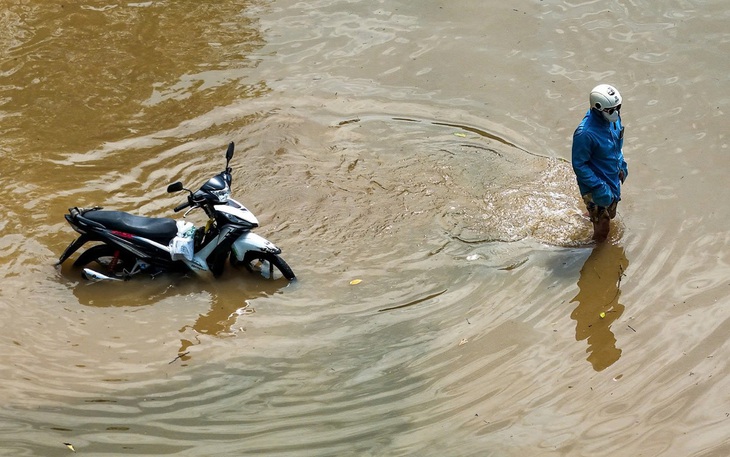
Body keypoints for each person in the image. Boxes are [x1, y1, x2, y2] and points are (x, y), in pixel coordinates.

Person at [571, 84, 629, 242]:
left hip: (611, 178)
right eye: (611, 110)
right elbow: (579, 165)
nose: (616, 113)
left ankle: (588, 215)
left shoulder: (613, 118)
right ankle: (593, 253)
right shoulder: (585, 134)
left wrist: (622, 164)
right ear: (597, 108)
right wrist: (598, 187)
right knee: (603, 231)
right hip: (596, 185)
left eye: (618, 108)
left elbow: (617, 144)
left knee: (610, 214)